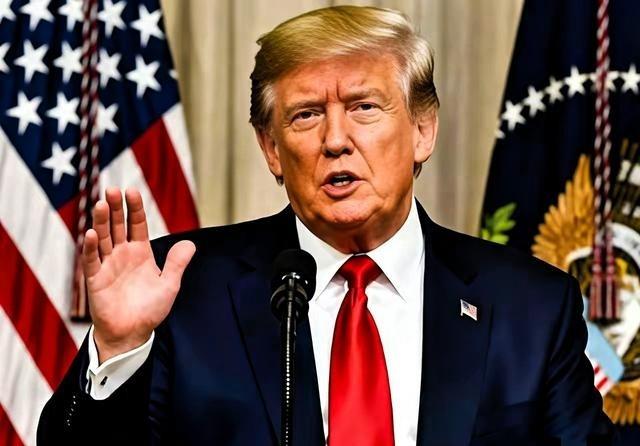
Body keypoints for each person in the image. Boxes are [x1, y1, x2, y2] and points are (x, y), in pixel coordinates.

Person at [38, 5, 614, 446]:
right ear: (271, 148)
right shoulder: (182, 292)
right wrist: (120, 348)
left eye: (364, 107)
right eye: (306, 115)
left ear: (422, 130)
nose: (336, 140)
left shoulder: (531, 307)